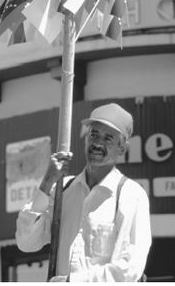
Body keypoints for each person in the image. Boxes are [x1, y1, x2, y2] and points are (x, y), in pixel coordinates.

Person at [16, 103, 151, 282]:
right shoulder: (62, 190)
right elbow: (26, 243)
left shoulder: (131, 195)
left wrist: (72, 282)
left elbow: (129, 268)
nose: (97, 143)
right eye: (93, 134)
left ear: (122, 148)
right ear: (85, 138)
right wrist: (47, 182)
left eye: (108, 138)